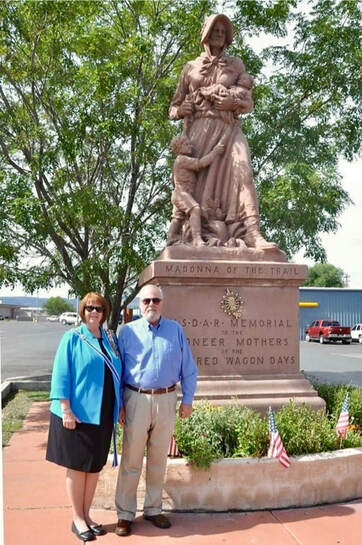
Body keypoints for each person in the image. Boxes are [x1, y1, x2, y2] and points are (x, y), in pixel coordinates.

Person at [169, 13, 277, 250]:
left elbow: (248, 103)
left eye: (223, 30)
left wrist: (233, 103)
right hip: (199, 135)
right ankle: (197, 235)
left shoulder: (236, 65)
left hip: (229, 129)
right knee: (197, 196)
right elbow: (173, 107)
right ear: (205, 33)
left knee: (244, 171)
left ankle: (253, 232)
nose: (219, 34)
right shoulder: (190, 68)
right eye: (215, 29)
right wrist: (180, 110)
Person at [114, 284, 198, 537]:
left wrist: (188, 400)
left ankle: (153, 508)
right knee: (131, 459)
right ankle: (125, 514)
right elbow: (118, 371)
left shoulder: (176, 330)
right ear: (139, 304)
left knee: (159, 458)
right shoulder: (127, 332)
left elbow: (189, 368)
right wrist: (119, 404)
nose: (152, 304)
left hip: (166, 399)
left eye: (156, 300)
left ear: (163, 303)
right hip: (136, 399)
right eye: (147, 300)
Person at [46, 292, 122, 542]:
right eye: (89, 308)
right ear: (82, 311)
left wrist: (120, 405)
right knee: (78, 468)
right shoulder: (73, 338)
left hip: (103, 412)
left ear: (104, 312)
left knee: (94, 467)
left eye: (99, 308)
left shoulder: (110, 339)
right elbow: (61, 375)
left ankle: (87, 515)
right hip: (78, 414)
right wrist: (65, 409)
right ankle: (77, 518)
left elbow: (117, 375)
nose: (94, 312)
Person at [167, 134, 225, 246]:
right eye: (187, 144)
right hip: (181, 193)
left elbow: (172, 180)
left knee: (177, 217)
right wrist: (215, 152)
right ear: (179, 147)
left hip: (179, 194)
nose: (191, 146)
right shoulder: (182, 160)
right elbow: (200, 163)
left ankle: (171, 238)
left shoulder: (178, 161)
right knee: (195, 209)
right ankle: (197, 239)